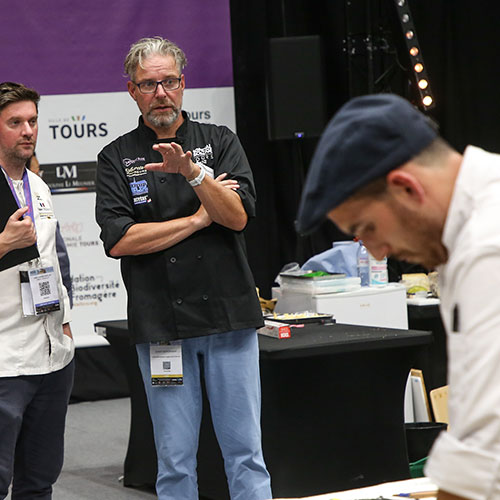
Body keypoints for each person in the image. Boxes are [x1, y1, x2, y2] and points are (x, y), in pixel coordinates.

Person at [296, 92, 500, 500]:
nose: (375, 251)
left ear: (406, 187)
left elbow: (483, 456)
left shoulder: (486, 246)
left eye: (367, 227)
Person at [95, 37, 272, 500]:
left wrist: (195, 176)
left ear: (183, 84)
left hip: (229, 321)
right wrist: (198, 217)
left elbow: (236, 217)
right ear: (132, 91)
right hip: (162, 326)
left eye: (168, 81)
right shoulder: (116, 157)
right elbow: (121, 241)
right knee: (173, 460)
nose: (161, 93)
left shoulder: (220, 141)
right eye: (148, 83)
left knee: (246, 452)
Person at [0, 82, 74, 499]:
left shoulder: (38, 186)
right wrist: (3, 243)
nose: (27, 130)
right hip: (4, 362)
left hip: (51, 357)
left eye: (32, 121)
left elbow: (55, 261)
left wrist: (64, 320)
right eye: (15, 123)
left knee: (40, 479)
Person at [27, 152, 73, 307]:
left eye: (38, 173)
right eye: (33, 172)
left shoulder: (42, 193)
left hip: (48, 302)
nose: (37, 177)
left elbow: (60, 259)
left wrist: (67, 307)